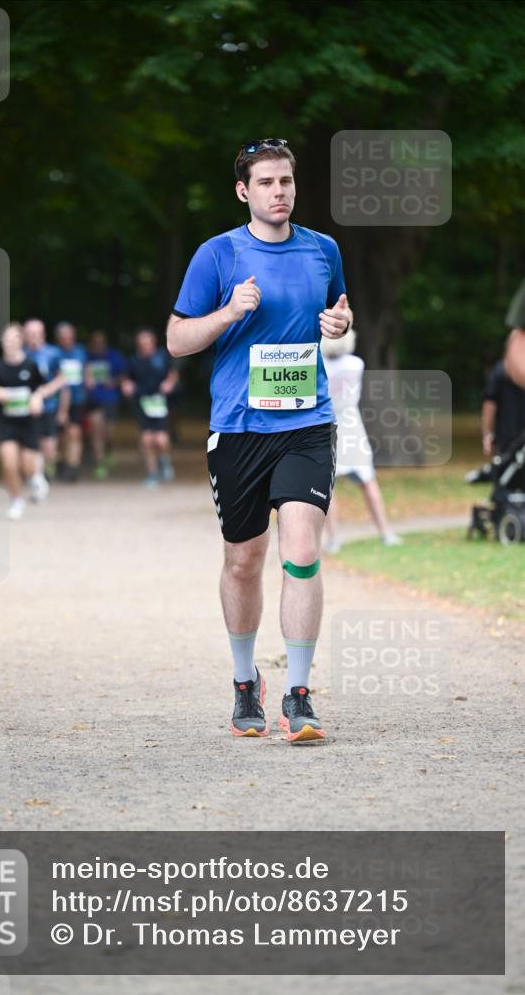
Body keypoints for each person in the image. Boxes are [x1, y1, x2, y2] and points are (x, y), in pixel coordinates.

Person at [167, 138, 352, 744]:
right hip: (239, 428)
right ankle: (246, 682)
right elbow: (176, 341)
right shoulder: (217, 254)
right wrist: (228, 313)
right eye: (267, 182)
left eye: (287, 181)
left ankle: (299, 694)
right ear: (243, 191)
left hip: (306, 424)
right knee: (243, 562)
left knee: (300, 548)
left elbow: (336, 312)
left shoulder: (323, 250)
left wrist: (340, 323)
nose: (279, 192)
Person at [320, 329, 402, 552]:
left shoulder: (320, 365)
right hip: (352, 426)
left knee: (328, 486)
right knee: (367, 480)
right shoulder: (356, 364)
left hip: (327, 425)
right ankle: (386, 532)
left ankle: (334, 539)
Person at [0, 323, 60, 519]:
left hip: (28, 423)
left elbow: (42, 388)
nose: (10, 343)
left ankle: (36, 478)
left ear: (20, 341)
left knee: (28, 466)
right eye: (6, 339)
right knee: (9, 464)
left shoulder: (30, 365)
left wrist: (37, 398)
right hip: (7, 423)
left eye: (14, 339)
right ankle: (16, 500)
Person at [122, 328, 178, 488]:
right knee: (147, 440)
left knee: (161, 439)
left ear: (153, 343)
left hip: (160, 401)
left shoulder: (162, 356)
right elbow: (126, 378)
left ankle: (164, 460)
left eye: (147, 343)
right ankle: (152, 473)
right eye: (142, 343)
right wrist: (127, 386)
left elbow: (173, 374)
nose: (145, 346)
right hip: (142, 401)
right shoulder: (133, 360)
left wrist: (169, 383)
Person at [23, 318, 66, 485]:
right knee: (32, 443)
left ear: (43, 334)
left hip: (49, 405)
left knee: (49, 447)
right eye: (30, 333)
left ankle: (49, 467)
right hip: (27, 407)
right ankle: (37, 476)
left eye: (36, 333)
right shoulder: (21, 354)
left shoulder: (53, 353)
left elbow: (62, 379)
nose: (33, 336)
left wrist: (45, 391)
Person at [85, 330, 127, 479]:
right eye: (95, 342)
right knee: (97, 430)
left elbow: (124, 374)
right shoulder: (87, 356)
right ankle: (100, 463)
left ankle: (108, 449)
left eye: (101, 342)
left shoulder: (113, 355)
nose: (98, 345)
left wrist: (114, 382)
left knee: (107, 433)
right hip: (93, 399)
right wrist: (86, 379)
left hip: (110, 399)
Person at [55, 321, 89, 482]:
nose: (67, 340)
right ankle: (61, 462)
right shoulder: (55, 354)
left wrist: (89, 380)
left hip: (77, 399)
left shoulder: (81, 351)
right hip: (57, 401)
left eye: (70, 337)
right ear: (59, 339)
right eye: (64, 337)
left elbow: (86, 370)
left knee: (75, 433)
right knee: (61, 436)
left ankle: (73, 468)